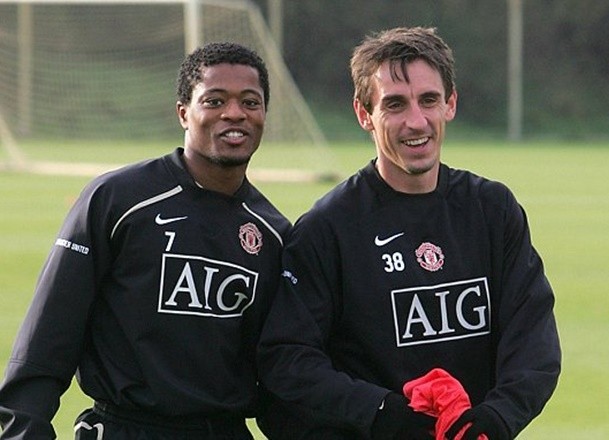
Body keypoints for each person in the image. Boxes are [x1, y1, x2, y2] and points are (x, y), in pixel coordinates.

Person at [257, 26, 561, 440]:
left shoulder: (492, 209)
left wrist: (498, 416)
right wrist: (380, 411)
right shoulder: (327, 229)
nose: (416, 122)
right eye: (395, 104)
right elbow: (287, 358)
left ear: (450, 104)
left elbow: (533, 339)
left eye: (429, 100)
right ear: (364, 114)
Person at [0, 42, 290, 439]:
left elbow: (280, 370)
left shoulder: (274, 233)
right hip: (124, 428)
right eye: (215, 100)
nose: (234, 113)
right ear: (183, 112)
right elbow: (47, 338)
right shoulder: (117, 200)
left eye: (250, 102)